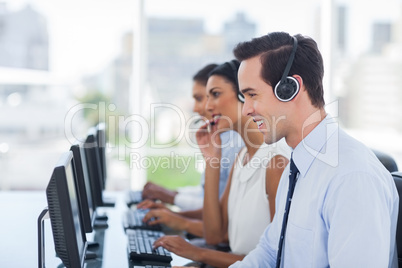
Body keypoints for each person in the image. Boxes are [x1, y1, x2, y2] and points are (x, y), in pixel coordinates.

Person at [228, 31, 399, 267]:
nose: (246, 110)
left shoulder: (351, 177)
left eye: (252, 95)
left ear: (289, 88)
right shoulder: (297, 165)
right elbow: (270, 252)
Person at [150, 60, 290, 268]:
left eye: (215, 94)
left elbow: (276, 261)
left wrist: (198, 253)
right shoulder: (242, 157)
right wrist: (212, 160)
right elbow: (214, 235)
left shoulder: (276, 164)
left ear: (244, 94)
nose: (207, 107)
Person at [142, 63, 244, 211]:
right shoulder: (222, 141)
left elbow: (222, 212)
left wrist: (173, 202)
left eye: (213, 95)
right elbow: (207, 195)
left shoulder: (238, 146)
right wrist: (172, 196)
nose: (198, 108)